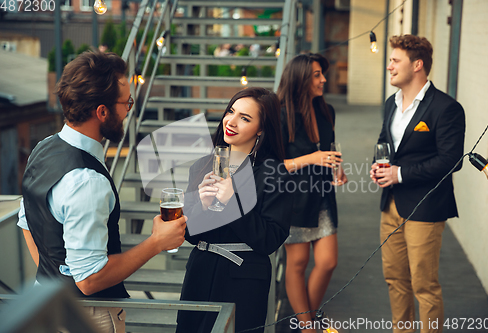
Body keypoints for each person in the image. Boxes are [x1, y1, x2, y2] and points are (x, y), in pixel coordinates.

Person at [17, 51, 186, 333]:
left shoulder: (43, 147)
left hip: (45, 306)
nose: (129, 110)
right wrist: (156, 242)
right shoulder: (87, 181)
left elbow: (26, 222)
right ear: (102, 112)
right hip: (88, 318)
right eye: (126, 103)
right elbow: (90, 279)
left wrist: (57, 275)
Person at [370, 35, 465, 333]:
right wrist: (379, 164)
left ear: (418, 65)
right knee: (395, 279)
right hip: (391, 205)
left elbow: (452, 160)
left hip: (425, 207)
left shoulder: (446, 108)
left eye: (395, 61)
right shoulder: (391, 103)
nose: (389, 67)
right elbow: (385, 142)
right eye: (390, 60)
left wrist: (399, 173)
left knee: (424, 285)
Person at [175, 87, 291, 333]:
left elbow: (270, 239)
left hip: (243, 278)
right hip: (199, 273)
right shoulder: (201, 166)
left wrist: (233, 202)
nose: (232, 121)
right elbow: (190, 234)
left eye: (245, 118)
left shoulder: (273, 173)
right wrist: (202, 207)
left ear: (261, 128)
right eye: (231, 111)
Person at [277, 53, 347, 332]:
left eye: (322, 74)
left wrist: (337, 168)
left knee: (328, 262)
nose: (324, 80)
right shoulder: (280, 114)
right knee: (297, 263)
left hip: (322, 194)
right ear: (300, 78)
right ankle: (307, 327)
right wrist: (312, 158)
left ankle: (306, 320)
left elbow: (329, 148)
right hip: (292, 198)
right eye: (317, 75)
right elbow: (272, 165)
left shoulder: (326, 110)